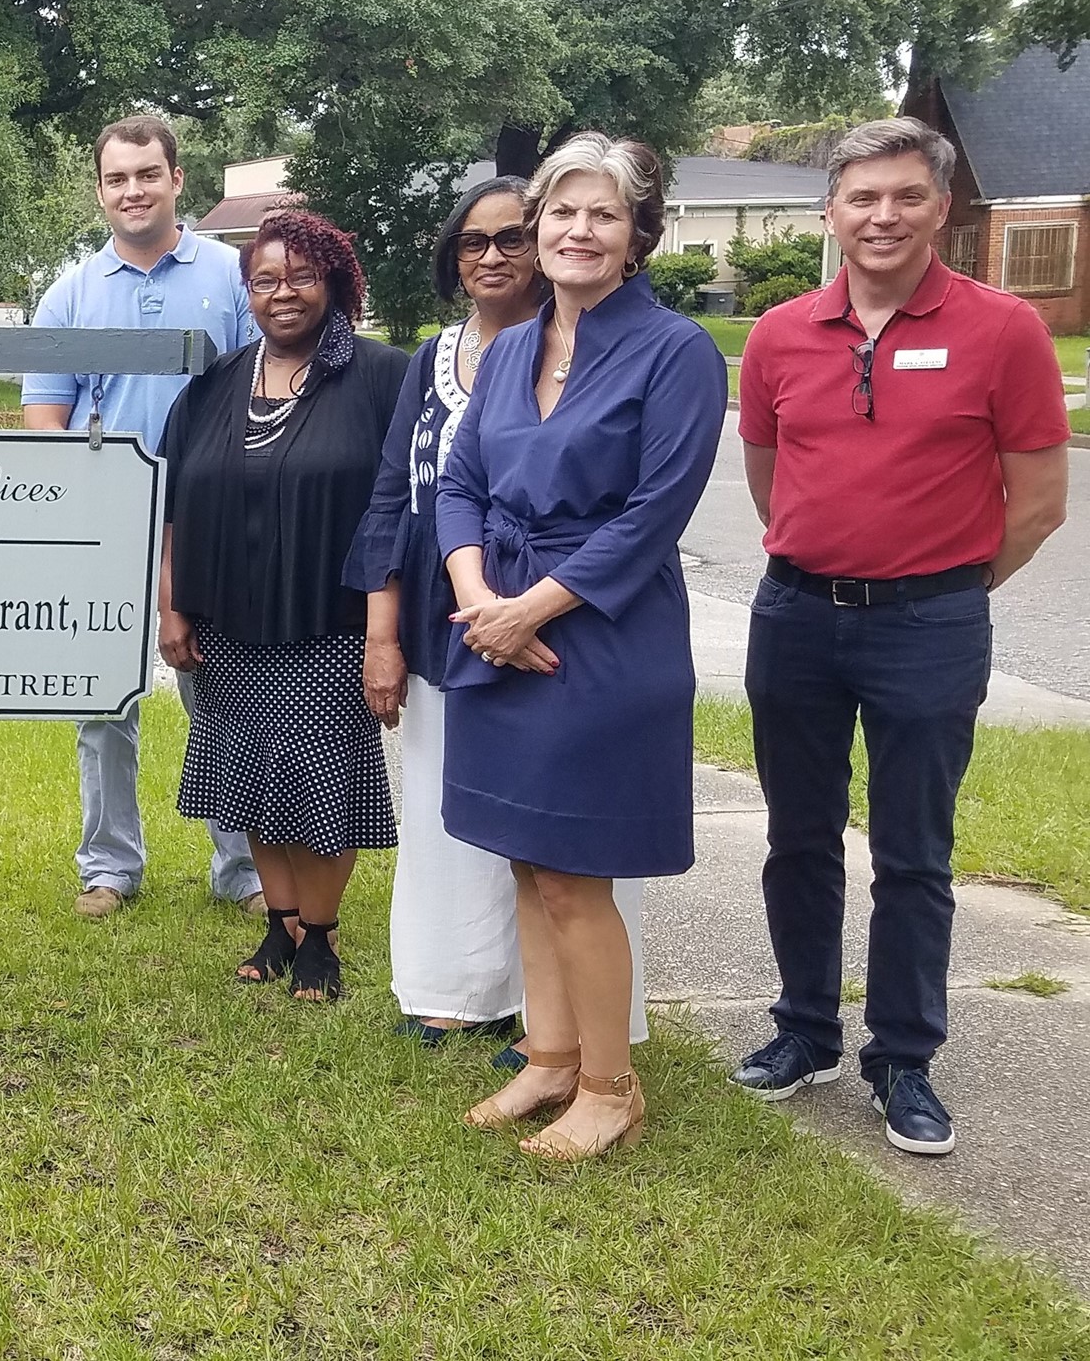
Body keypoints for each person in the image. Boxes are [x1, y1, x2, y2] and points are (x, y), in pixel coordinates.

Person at [730, 117, 1070, 1156]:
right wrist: (822, 557)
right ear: (829, 210)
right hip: (793, 617)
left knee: (912, 852)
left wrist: (942, 590)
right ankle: (803, 1030)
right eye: (860, 197)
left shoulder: (1002, 328)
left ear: (940, 207)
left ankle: (901, 1056)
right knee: (795, 839)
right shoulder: (778, 334)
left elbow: (1038, 502)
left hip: (928, 624)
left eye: (903, 196)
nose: (880, 216)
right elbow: (765, 475)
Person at [436, 133, 726, 1161]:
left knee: (573, 872)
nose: (576, 231)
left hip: (600, 637)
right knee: (523, 860)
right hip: (497, 623)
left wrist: (530, 611)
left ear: (637, 233)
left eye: (601, 215)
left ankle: (610, 1086)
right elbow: (458, 482)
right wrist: (478, 598)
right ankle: (548, 1060)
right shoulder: (509, 346)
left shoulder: (677, 352)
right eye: (560, 212)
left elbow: (652, 514)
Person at [344, 179, 650, 1055]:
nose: (490, 257)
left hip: (572, 620)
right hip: (451, 619)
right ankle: (454, 984)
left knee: (565, 827)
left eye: (511, 238)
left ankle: (567, 1026)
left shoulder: (605, 356)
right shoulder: (429, 362)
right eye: (471, 242)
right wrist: (383, 632)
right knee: (454, 808)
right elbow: (392, 501)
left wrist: (531, 609)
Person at [156, 209, 405, 1001]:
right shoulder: (216, 385)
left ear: (334, 283)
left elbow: (398, 509)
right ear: (248, 293)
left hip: (330, 626)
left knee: (320, 781)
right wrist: (173, 605)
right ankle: (280, 922)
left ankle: (321, 941)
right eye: (265, 280)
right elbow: (174, 505)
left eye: (300, 276)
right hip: (230, 626)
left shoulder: (380, 378)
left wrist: (382, 632)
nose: (282, 293)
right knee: (255, 780)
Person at [24, 114, 263, 920]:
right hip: (106, 523)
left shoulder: (233, 277)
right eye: (117, 178)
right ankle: (110, 866)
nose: (133, 190)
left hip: (216, 520)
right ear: (99, 190)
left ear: (176, 180)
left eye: (147, 174)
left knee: (221, 694)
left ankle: (240, 864)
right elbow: (45, 416)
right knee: (102, 705)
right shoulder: (71, 294)